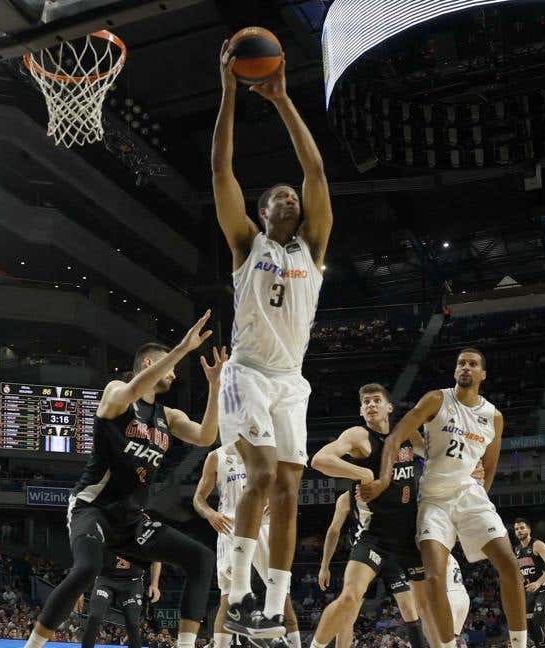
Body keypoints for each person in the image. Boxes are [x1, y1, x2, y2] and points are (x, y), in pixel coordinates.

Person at [211, 34, 332, 641]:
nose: (289, 192)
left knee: (289, 487)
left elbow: (314, 168)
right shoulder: (246, 246)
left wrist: (283, 101)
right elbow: (221, 170)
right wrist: (230, 91)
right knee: (260, 476)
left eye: (293, 194)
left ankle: (269, 607)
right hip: (247, 374)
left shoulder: (312, 249)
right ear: (263, 213)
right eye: (276, 195)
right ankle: (235, 594)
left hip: (291, 381)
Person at [21, 314, 223, 648]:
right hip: (93, 507)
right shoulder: (117, 393)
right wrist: (182, 348)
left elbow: (206, 436)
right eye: (168, 366)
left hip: (130, 520)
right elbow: (131, 389)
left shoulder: (167, 417)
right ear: (148, 364)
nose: (174, 373)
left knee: (201, 559)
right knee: (87, 568)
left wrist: (215, 388)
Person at [361, 348, 528, 648]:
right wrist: (385, 478)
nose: (466, 367)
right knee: (434, 577)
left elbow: (489, 467)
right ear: (455, 371)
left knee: (510, 565)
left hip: (469, 496)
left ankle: (520, 643)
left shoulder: (494, 417)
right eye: (461, 363)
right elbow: (396, 437)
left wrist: (476, 507)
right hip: (433, 500)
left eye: (473, 364)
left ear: (482, 374)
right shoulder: (437, 399)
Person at [307, 384, 432, 648]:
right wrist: (362, 473)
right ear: (362, 411)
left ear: (389, 407)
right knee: (350, 598)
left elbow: (436, 457)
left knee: (423, 608)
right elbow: (319, 459)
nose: (371, 405)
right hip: (374, 536)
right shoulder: (359, 436)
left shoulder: (409, 435)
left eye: (377, 400)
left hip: (409, 536)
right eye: (366, 402)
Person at [193, 447, 300, 648]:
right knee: (228, 600)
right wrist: (210, 514)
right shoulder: (216, 456)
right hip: (230, 527)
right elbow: (198, 498)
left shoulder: (268, 449)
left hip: (266, 526)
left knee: (283, 597)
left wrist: (278, 499)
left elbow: (289, 482)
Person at [74, 555, 160, 648]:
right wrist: (79, 589)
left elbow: (156, 559)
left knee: (133, 623)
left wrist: (154, 584)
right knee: (94, 617)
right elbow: (85, 557)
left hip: (132, 583)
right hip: (105, 580)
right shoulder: (102, 540)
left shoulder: (141, 540)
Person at [512, 519, 545, 646]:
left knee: (537, 622)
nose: (519, 531)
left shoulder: (537, 545)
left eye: (522, 528)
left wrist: (538, 582)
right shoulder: (517, 549)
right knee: (529, 625)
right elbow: (522, 572)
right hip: (530, 592)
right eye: (516, 529)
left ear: (529, 529)